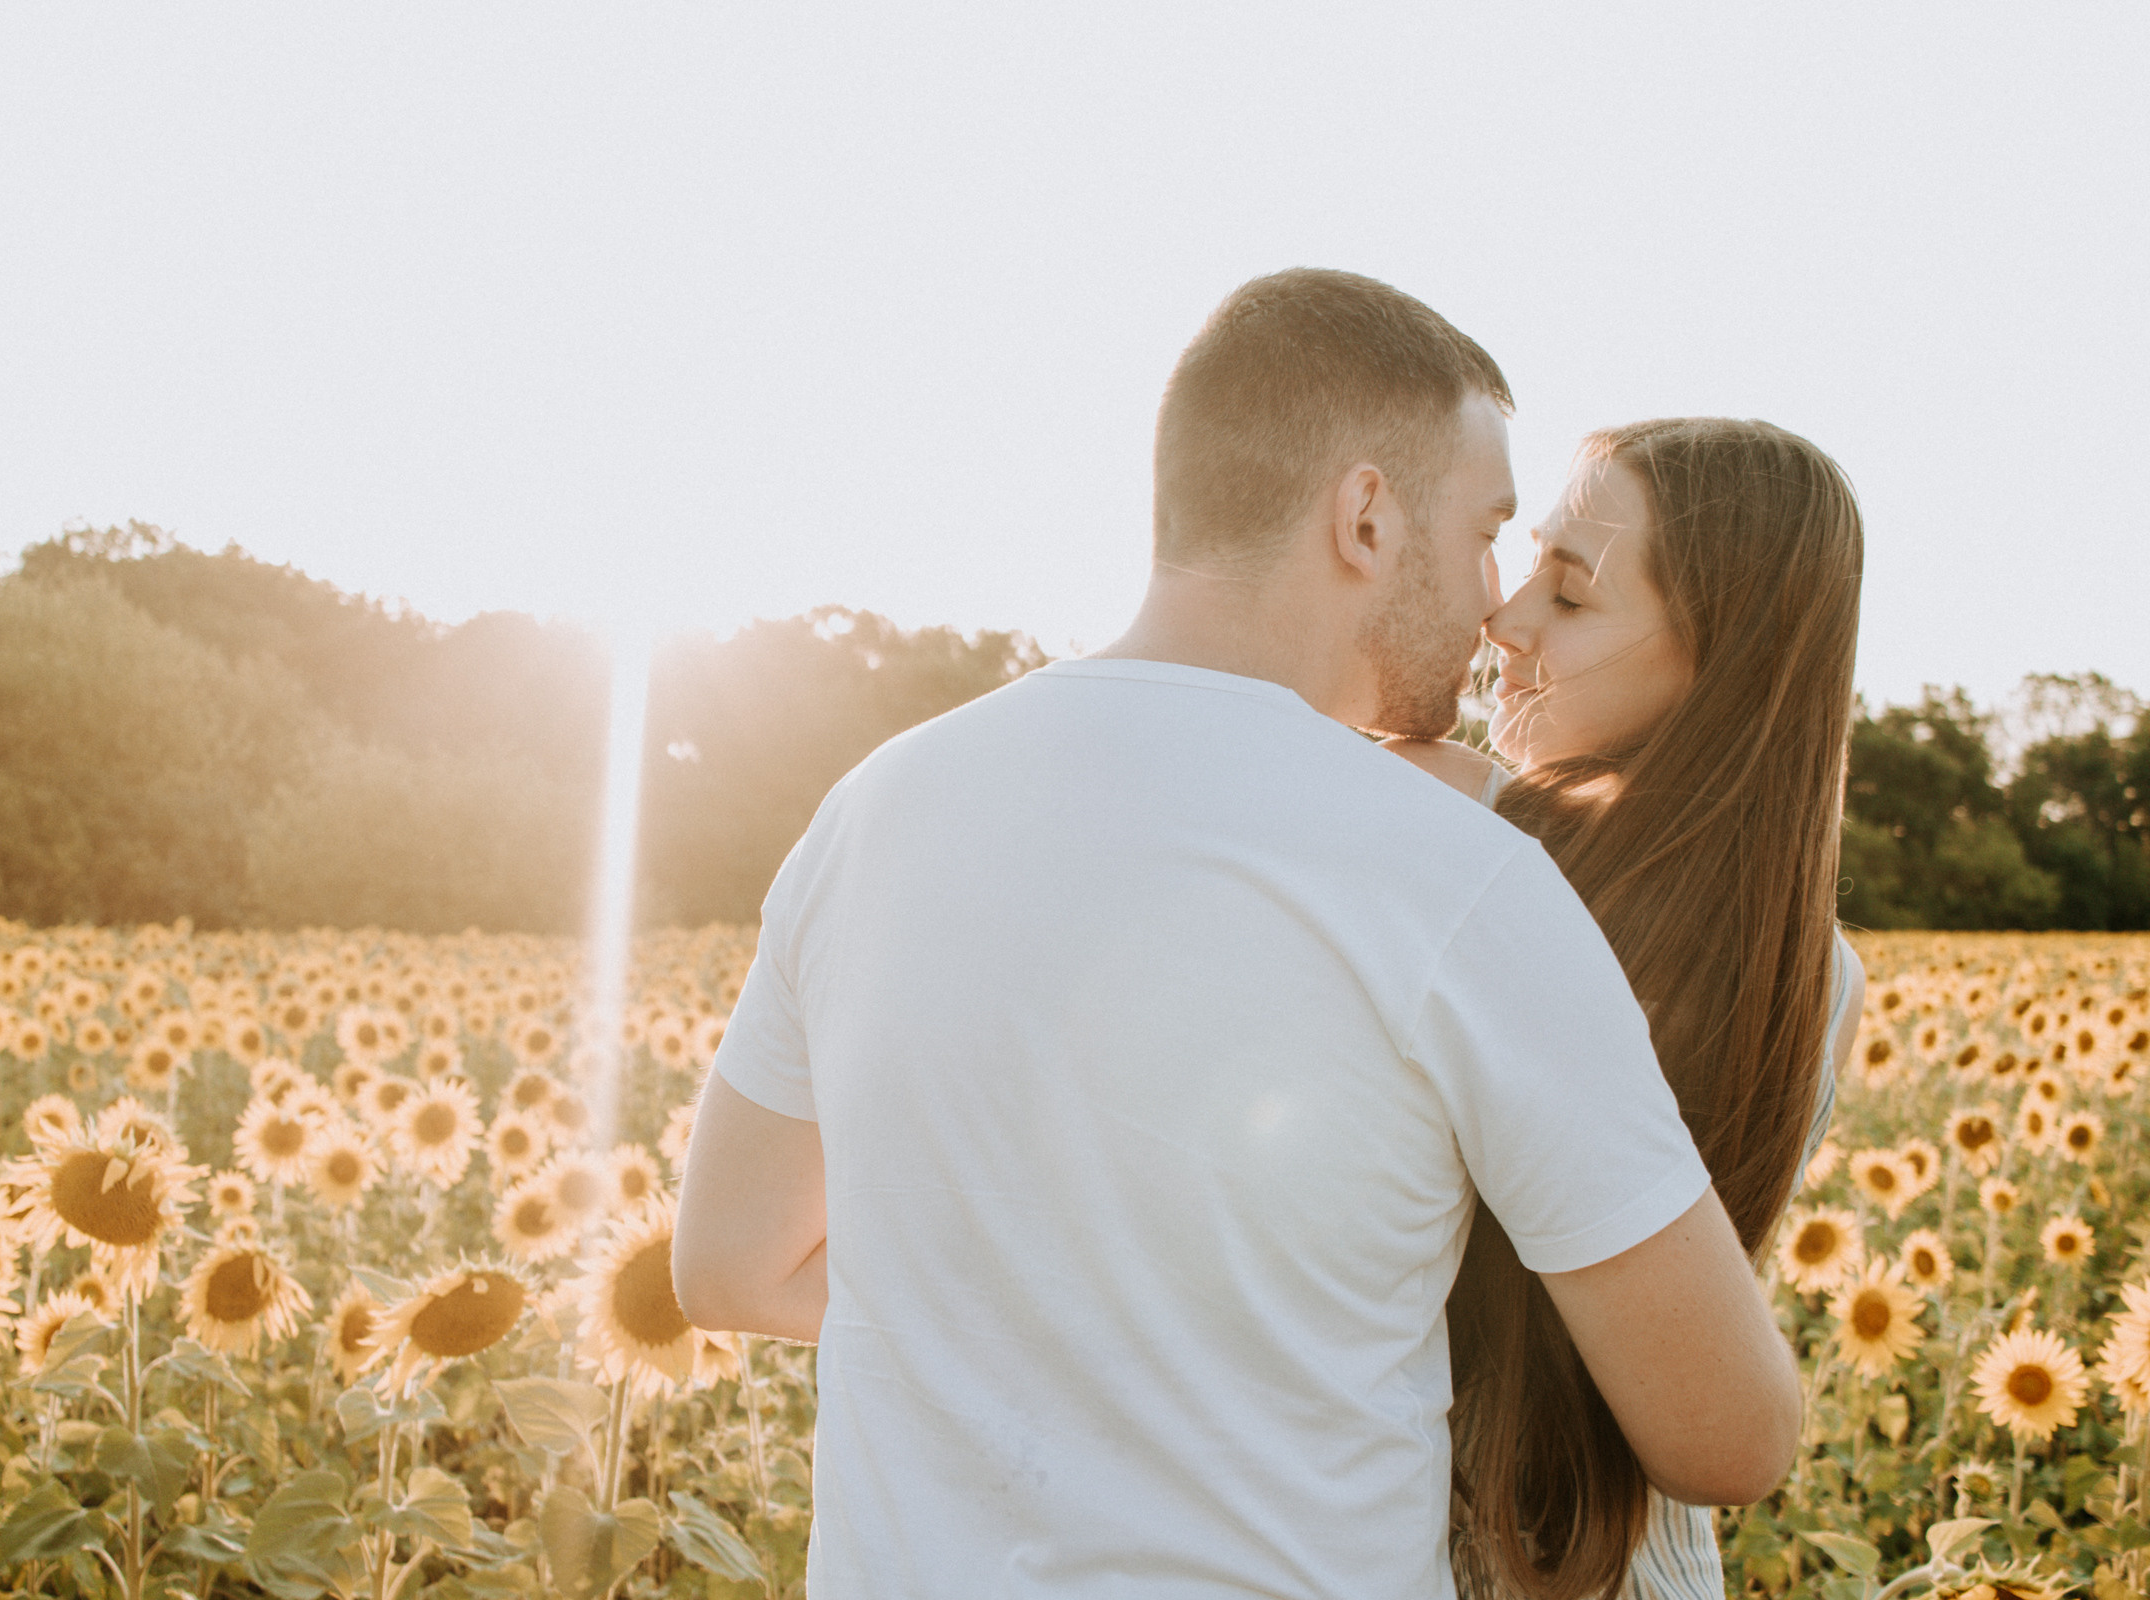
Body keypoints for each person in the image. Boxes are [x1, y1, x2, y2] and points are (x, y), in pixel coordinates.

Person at [671, 268, 1804, 1599]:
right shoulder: (1458, 882)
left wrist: (1013, 1332)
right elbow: (1729, 1438)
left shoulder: (877, 807)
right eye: (1488, 528)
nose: (1495, 598)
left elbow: (726, 1262)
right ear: (1367, 517)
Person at [1385, 418, 1865, 1599]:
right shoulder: (1816, 971)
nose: (1506, 623)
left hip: (1416, 1541)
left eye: (1573, 592)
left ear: (1721, 659)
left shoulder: (1467, 844)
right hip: (1627, 1558)